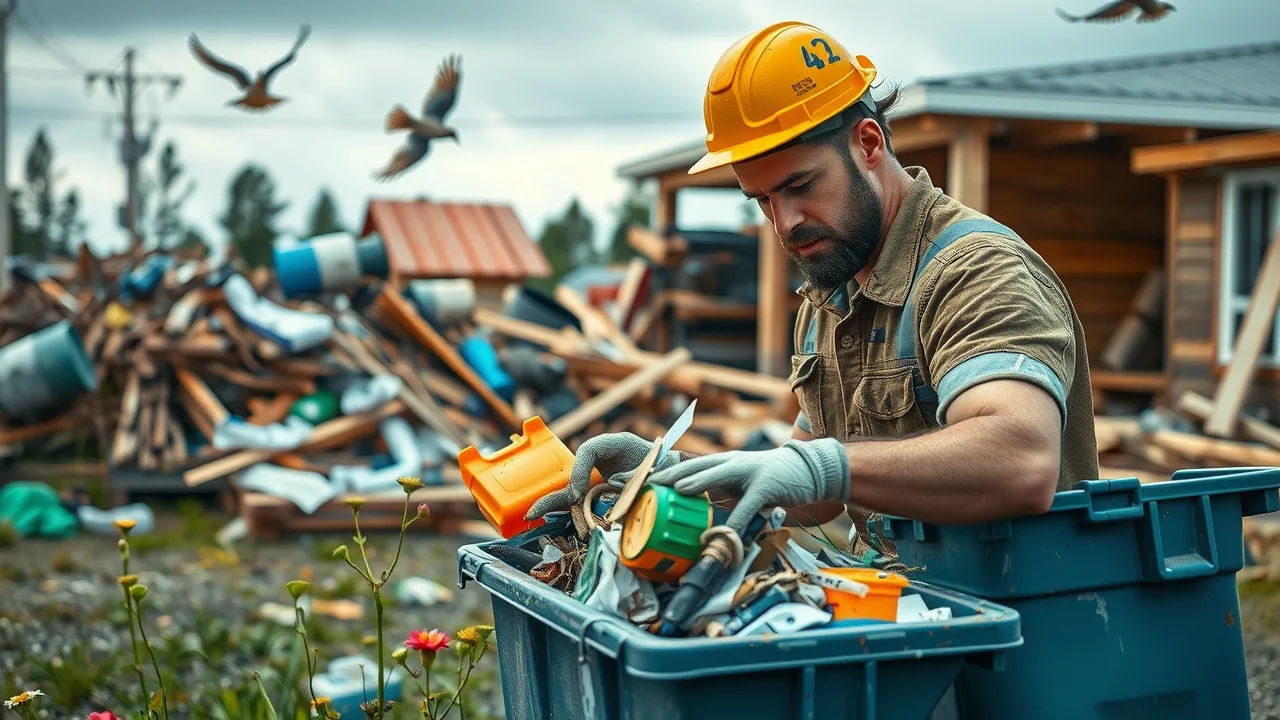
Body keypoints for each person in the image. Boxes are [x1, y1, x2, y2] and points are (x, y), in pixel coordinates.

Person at [527, 20, 1099, 568]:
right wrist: (672, 473)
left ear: (868, 143)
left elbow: (1022, 461)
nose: (785, 223)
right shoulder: (831, 295)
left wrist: (822, 467)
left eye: (800, 185)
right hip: (910, 610)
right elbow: (809, 495)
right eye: (763, 201)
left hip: (1021, 615)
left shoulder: (975, 271)